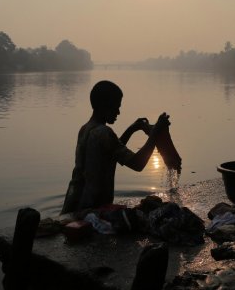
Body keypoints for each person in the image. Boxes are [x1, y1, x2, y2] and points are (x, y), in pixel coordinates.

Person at [61, 80, 171, 214]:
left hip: (73, 205)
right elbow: (138, 164)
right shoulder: (104, 133)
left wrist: (131, 129)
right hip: (92, 211)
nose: (118, 112)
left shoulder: (86, 129)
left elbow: (110, 153)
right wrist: (155, 133)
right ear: (104, 106)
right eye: (116, 107)